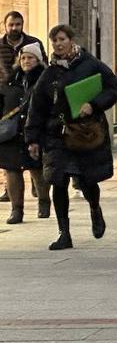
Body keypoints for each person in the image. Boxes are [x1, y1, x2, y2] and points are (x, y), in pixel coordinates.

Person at [26, 25, 117, 251]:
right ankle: (63, 232)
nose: (58, 44)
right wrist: (32, 138)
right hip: (57, 135)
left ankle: (95, 209)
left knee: (88, 181)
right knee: (58, 182)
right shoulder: (49, 74)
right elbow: (36, 107)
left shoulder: (90, 64)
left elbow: (112, 86)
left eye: (61, 39)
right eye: (54, 41)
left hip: (85, 132)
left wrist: (94, 104)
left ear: (71, 40)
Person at [1, 44, 49, 223]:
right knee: (12, 170)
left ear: (38, 60)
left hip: (34, 132)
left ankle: (44, 201)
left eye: (30, 58)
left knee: (37, 169)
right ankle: (16, 210)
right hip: (11, 133)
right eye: (23, 58)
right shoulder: (11, 80)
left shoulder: (44, 80)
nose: (26, 61)